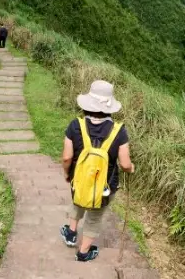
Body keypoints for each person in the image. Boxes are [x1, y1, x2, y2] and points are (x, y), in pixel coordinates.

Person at [60, 80, 134, 262]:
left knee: (79, 200)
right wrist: (131, 168)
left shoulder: (75, 125)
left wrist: (67, 173)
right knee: (95, 215)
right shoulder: (119, 131)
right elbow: (125, 164)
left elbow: (67, 157)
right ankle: (84, 252)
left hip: (79, 177)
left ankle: (71, 233)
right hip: (105, 185)